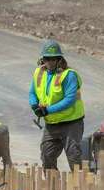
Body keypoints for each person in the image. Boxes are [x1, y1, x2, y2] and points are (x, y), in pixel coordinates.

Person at [29, 39, 85, 171]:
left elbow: (69, 99)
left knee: (73, 156)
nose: (50, 62)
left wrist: (48, 110)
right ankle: (53, 188)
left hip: (71, 122)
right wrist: (34, 106)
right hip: (52, 124)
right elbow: (32, 92)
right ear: (43, 59)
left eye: (54, 59)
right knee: (47, 155)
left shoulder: (68, 75)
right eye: (47, 59)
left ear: (60, 59)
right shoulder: (39, 73)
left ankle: (80, 189)